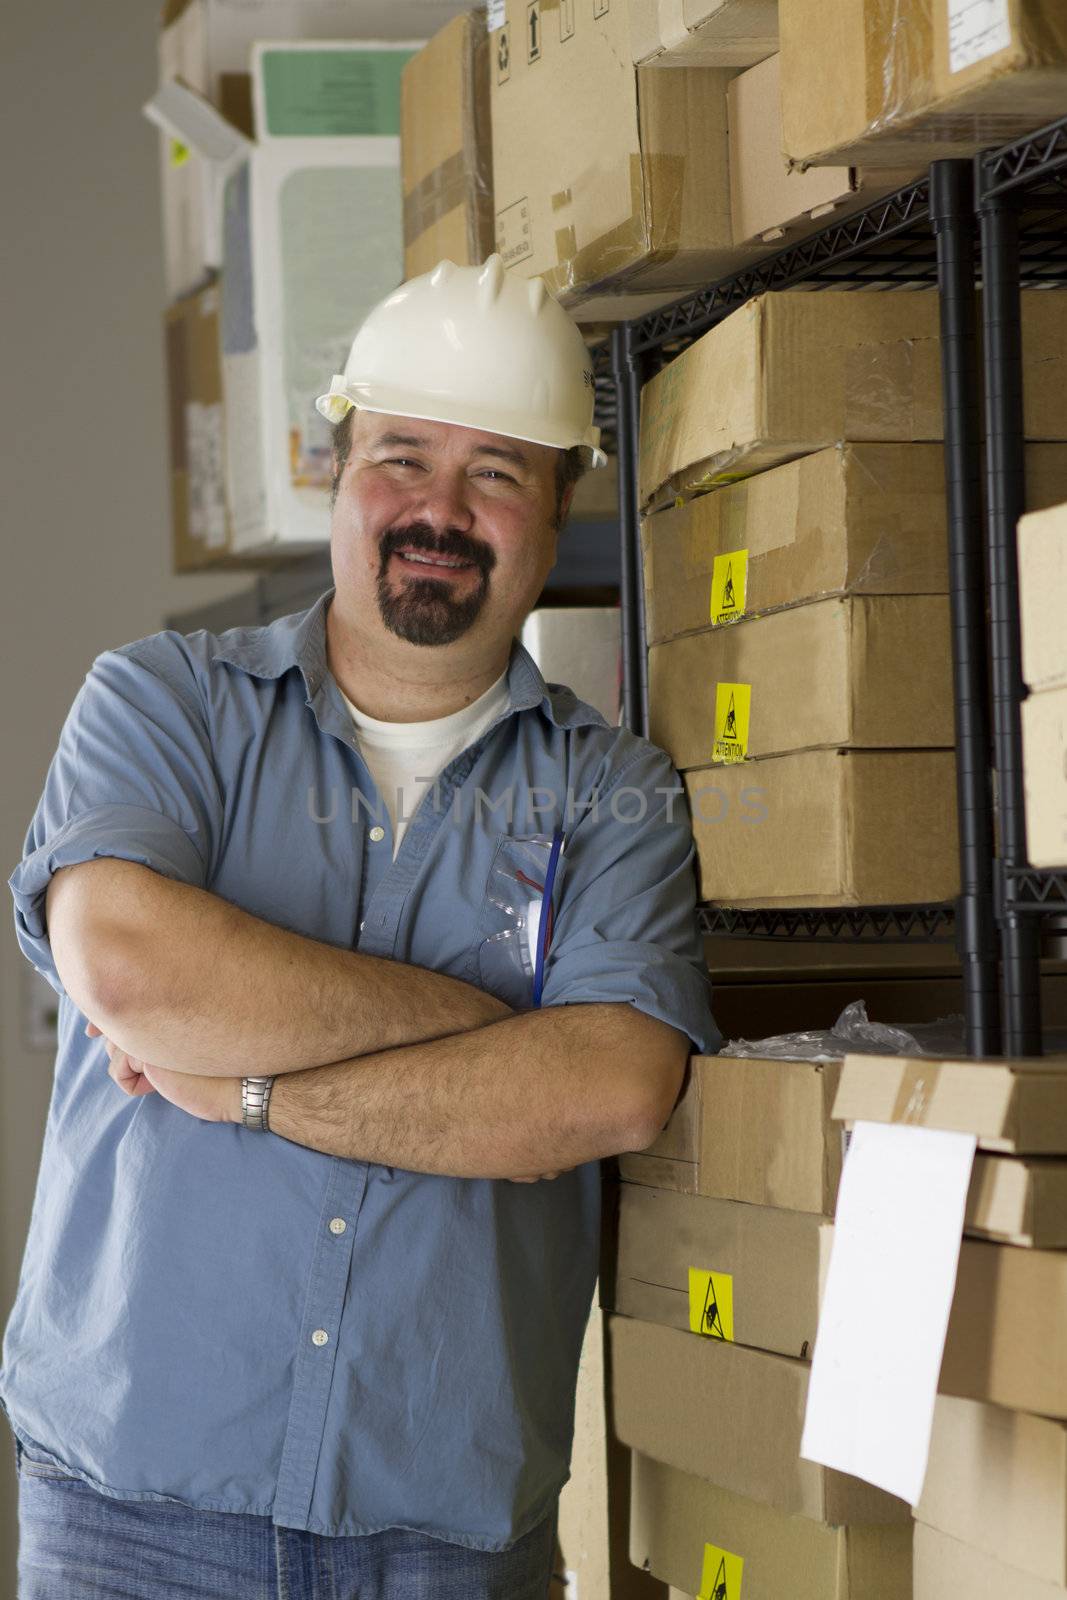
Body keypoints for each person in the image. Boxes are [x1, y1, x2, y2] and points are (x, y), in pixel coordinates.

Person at [3, 254, 718, 1599]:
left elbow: (611, 1086)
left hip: (444, 1547)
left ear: (558, 506)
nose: (441, 510)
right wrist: (488, 1031)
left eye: (499, 471)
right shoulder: (163, 706)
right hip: (129, 1526)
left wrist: (255, 1086)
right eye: (402, 456)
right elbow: (130, 965)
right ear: (338, 470)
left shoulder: (616, 788)